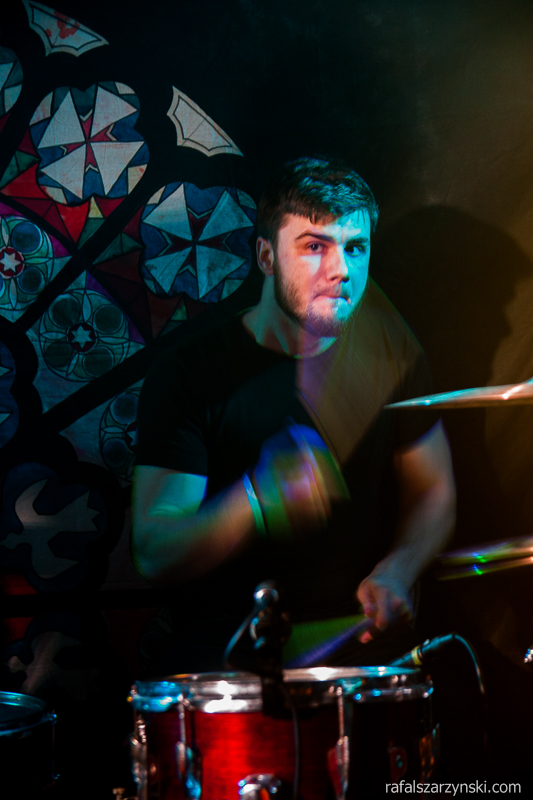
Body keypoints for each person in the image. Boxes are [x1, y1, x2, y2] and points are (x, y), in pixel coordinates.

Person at [132, 157, 456, 673]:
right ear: (266, 256)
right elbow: (155, 552)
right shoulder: (191, 371)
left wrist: (398, 569)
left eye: (355, 247)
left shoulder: (390, 350)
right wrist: (254, 500)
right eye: (314, 247)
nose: (341, 269)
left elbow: (433, 490)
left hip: (359, 644)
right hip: (229, 653)